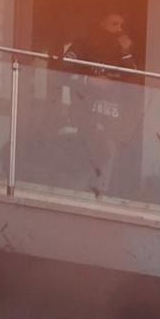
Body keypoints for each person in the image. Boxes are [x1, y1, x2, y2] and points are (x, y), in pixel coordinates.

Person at [61, 12, 141, 198]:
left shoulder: (122, 52)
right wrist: (89, 81)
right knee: (85, 149)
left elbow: (135, 82)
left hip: (111, 114)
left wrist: (126, 52)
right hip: (85, 112)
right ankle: (75, 192)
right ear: (102, 22)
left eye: (122, 25)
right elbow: (62, 70)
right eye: (114, 24)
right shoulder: (83, 44)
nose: (119, 29)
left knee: (108, 150)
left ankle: (100, 193)